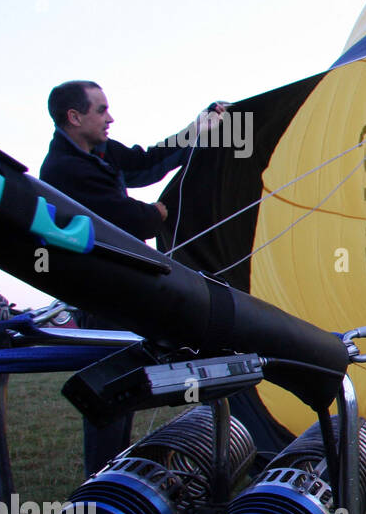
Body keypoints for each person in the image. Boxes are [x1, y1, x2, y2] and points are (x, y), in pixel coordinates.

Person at [40, 80, 228, 475]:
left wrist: (199, 128)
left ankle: (114, 470)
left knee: (125, 384)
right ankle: (103, 479)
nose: (110, 118)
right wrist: (155, 214)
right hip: (100, 296)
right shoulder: (63, 168)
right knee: (109, 389)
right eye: (101, 110)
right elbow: (122, 218)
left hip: (121, 291)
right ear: (74, 117)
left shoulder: (99, 151)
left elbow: (146, 163)